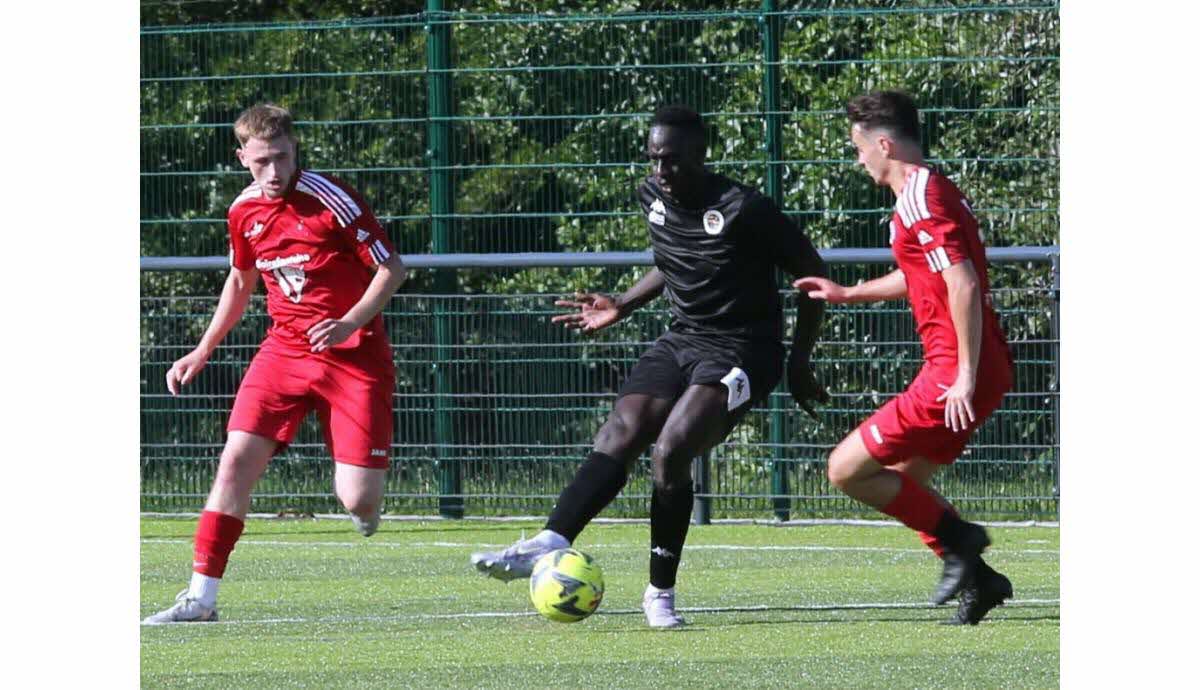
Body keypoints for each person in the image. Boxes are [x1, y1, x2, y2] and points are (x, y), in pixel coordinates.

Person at [471, 105, 828, 628]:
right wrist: (621, 303)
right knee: (624, 426)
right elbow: (670, 259)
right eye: (655, 160)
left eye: (673, 161)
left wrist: (799, 359)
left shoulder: (745, 208)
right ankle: (552, 538)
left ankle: (660, 593)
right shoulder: (652, 196)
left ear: (701, 154)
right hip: (684, 338)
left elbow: (813, 275)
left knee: (672, 450)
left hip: (745, 347)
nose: (662, 171)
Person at [143, 103, 407, 624]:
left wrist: (349, 323)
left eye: (282, 158)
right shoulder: (243, 211)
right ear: (242, 157)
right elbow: (241, 281)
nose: (273, 171)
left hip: (353, 356)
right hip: (283, 352)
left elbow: (391, 269)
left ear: (295, 150)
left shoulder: (332, 200)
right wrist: (202, 349)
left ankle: (367, 511)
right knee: (235, 461)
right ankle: (200, 598)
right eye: (261, 161)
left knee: (357, 500)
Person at [793, 90, 1013, 625]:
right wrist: (848, 293)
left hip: (954, 371)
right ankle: (981, 581)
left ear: (884, 144)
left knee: (844, 469)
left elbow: (960, 283)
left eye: (859, 148)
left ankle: (965, 542)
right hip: (977, 367)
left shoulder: (920, 196)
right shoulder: (926, 193)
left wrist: (960, 375)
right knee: (902, 484)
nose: (858, 159)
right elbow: (921, 276)